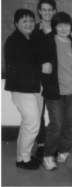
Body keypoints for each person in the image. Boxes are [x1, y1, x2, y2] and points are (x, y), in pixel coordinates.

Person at [4, 9, 50, 170]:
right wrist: (41, 68)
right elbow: (18, 67)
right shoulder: (14, 41)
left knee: (28, 124)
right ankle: (23, 159)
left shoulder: (30, 38)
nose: (29, 24)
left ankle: (23, 157)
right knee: (32, 124)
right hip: (23, 89)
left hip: (35, 87)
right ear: (16, 23)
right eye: (24, 21)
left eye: (31, 20)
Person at [41, 12, 72, 171]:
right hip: (55, 92)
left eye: (67, 25)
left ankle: (64, 151)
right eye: (60, 25)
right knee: (56, 125)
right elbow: (39, 63)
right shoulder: (47, 41)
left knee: (68, 124)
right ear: (54, 27)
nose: (64, 28)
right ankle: (48, 155)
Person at [31, 0, 57, 160]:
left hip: (56, 81)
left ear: (54, 11)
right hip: (37, 79)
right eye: (44, 10)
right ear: (39, 11)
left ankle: (53, 144)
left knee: (55, 114)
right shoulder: (33, 31)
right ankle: (41, 145)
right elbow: (27, 57)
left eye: (50, 9)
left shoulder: (60, 29)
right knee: (38, 113)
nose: (47, 13)